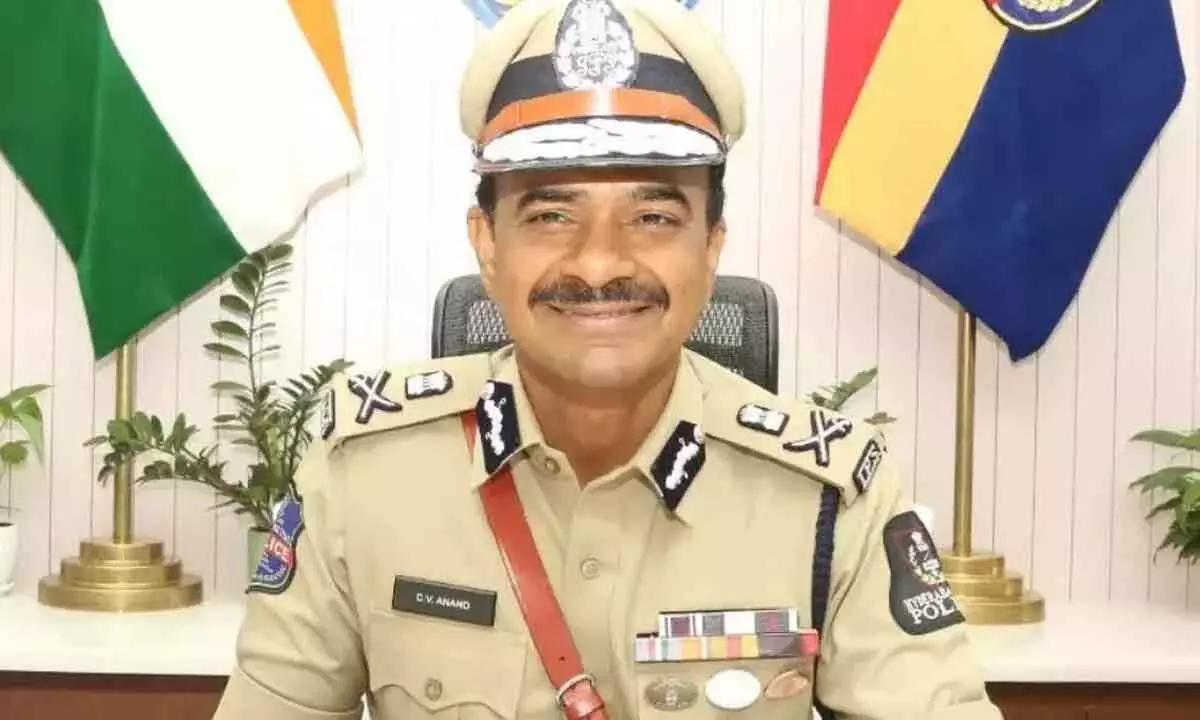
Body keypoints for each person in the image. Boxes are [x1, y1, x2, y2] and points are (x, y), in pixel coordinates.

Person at [212, 0, 1003, 718]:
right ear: (488, 244)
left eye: (653, 216)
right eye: (551, 215)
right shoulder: (364, 472)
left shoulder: (830, 497)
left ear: (711, 247)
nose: (598, 265)